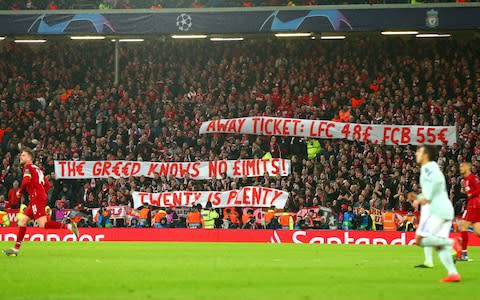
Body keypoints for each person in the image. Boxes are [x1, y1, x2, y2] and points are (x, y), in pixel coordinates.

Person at [3, 148, 79, 257]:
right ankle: (15, 249)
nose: (21, 157)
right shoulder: (37, 169)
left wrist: (20, 191)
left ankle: (69, 226)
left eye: (23, 155)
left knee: (43, 224)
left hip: (36, 197)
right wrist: (41, 194)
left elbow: (26, 181)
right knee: (23, 221)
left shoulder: (28, 167)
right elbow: (47, 185)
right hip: (37, 197)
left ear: (29, 158)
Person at [407, 145, 460, 283]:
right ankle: (453, 273)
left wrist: (426, 198)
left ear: (426, 155)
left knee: (420, 240)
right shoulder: (431, 166)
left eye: (419, 151)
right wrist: (418, 198)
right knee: (438, 244)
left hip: (437, 210)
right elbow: (434, 185)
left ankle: (452, 242)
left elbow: (437, 181)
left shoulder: (428, 167)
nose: (416, 153)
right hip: (444, 208)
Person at [458, 162, 480, 261]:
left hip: (474, 204)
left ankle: (464, 254)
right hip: (473, 204)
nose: (460, 168)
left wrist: (471, 194)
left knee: (462, 227)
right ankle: (464, 254)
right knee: (477, 232)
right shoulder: (467, 179)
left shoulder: (472, 178)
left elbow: (479, 189)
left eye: (462, 166)